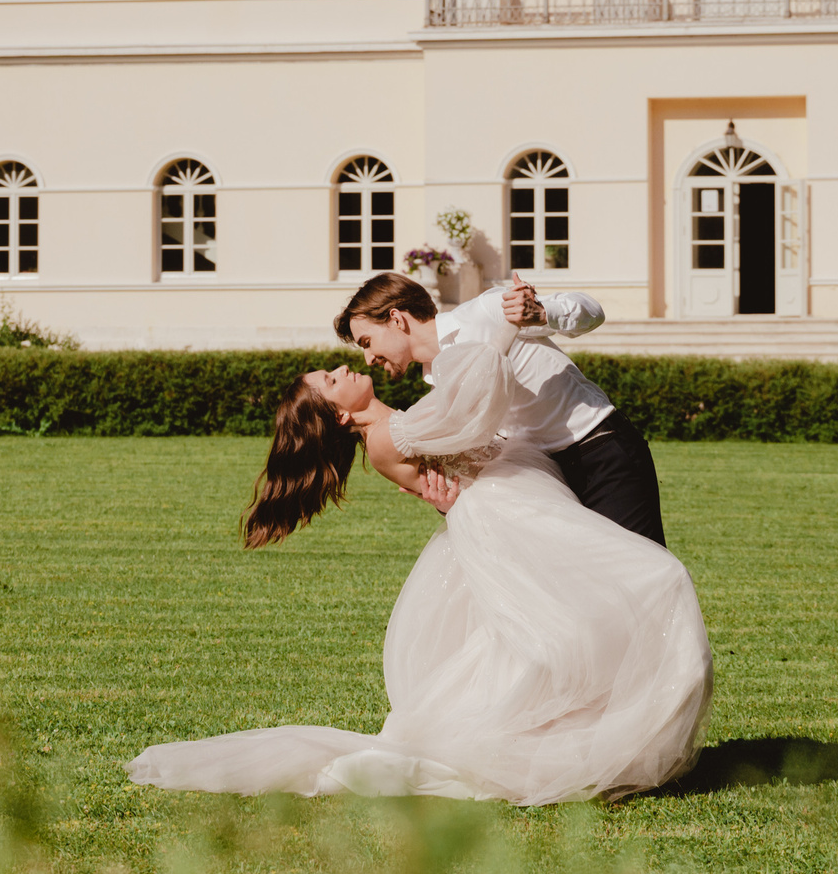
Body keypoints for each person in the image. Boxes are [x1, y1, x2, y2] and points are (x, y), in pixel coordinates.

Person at [126, 302, 712, 804]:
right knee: (645, 583)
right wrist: (497, 324)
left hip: (524, 505)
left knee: (585, 620)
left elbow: (474, 426)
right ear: (337, 412)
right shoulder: (387, 437)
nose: (345, 366)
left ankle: (611, 737)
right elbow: (477, 389)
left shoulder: (402, 422)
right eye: (332, 377)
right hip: (511, 519)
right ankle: (601, 745)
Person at [336, 271, 668, 546]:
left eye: (367, 342)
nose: (368, 359)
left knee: (642, 575)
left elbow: (591, 311)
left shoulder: (485, 311)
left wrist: (541, 314)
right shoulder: (436, 385)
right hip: (546, 483)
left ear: (395, 319)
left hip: (602, 454)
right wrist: (445, 500)